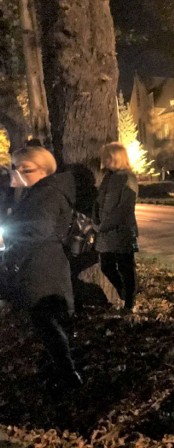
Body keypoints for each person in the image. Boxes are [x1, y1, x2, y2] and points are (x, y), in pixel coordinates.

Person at [0, 146, 82, 388]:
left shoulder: (46, 193)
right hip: (39, 265)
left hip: (41, 268)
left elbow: (39, 228)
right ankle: (60, 370)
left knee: (47, 324)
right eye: (15, 167)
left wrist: (6, 238)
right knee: (45, 323)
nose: (18, 172)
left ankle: (68, 376)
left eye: (26, 168)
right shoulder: (36, 191)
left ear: (44, 170)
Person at [94, 142, 139, 312]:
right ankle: (124, 293)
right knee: (106, 265)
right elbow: (99, 201)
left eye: (107, 157)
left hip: (122, 229)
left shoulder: (127, 177)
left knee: (126, 265)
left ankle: (130, 301)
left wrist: (105, 225)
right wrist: (96, 220)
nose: (104, 160)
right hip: (105, 230)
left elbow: (125, 207)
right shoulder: (109, 177)